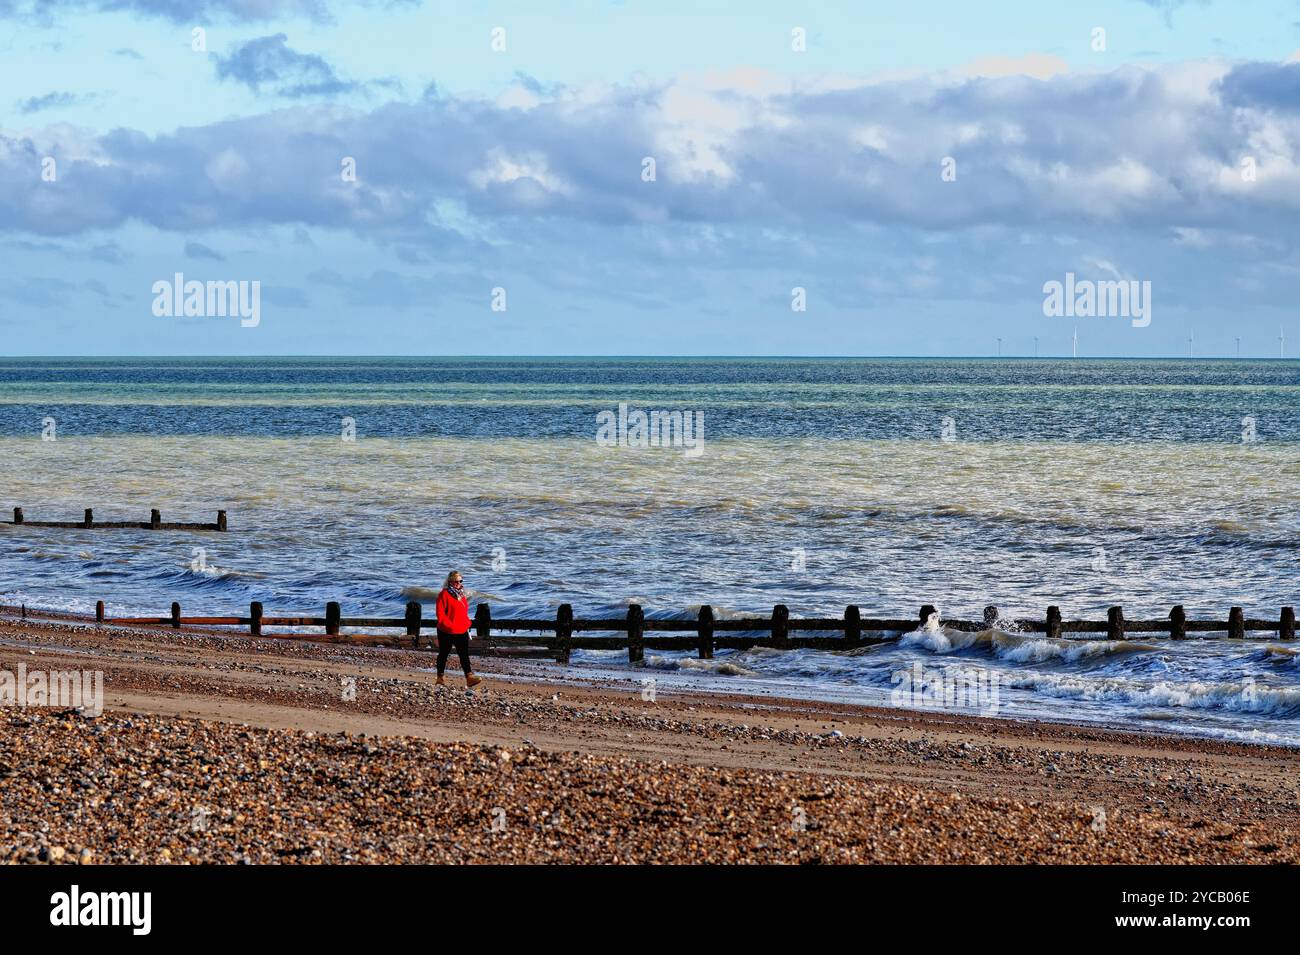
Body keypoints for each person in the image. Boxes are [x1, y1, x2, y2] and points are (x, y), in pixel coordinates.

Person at [435, 570, 481, 689]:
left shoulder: (462, 595)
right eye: (456, 581)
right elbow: (440, 614)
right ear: (450, 582)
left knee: (464, 654)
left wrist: (467, 622)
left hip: (461, 629)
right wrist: (448, 626)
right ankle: (440, 677)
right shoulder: (444, 594)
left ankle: (469, 678)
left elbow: (464, 611)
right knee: (444, 654)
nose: (458, 583)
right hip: (446, 631)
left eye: (460, 581)